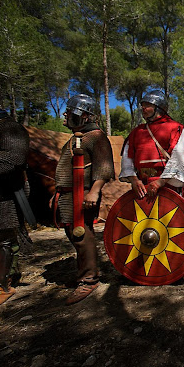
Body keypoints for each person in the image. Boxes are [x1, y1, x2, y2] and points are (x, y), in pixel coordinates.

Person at [54, 94, 114, 305]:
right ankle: (84, 273)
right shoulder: (77, 138)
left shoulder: (96, 137)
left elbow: (104, 167)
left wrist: (94, 191)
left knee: (82, 234)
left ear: (84, 116)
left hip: (84, 194)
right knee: (73, 233)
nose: (65, 116)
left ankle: (89, 279)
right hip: (70, 194)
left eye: (70, 112)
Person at [120, 90, 184, 198]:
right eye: (142, 105)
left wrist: (160, 182)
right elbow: (127, 159)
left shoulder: (176, 128)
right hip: (141, 186)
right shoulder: (136, 132)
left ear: (159, 108)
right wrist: (134, 180)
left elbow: (178, 158)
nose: (143, 108)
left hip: (167, 185)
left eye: (147, 105)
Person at [0, 108, 30, 306]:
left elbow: (15, 158)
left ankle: (3, 285)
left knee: (3, 239)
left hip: (7, 193)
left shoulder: (10, 128)